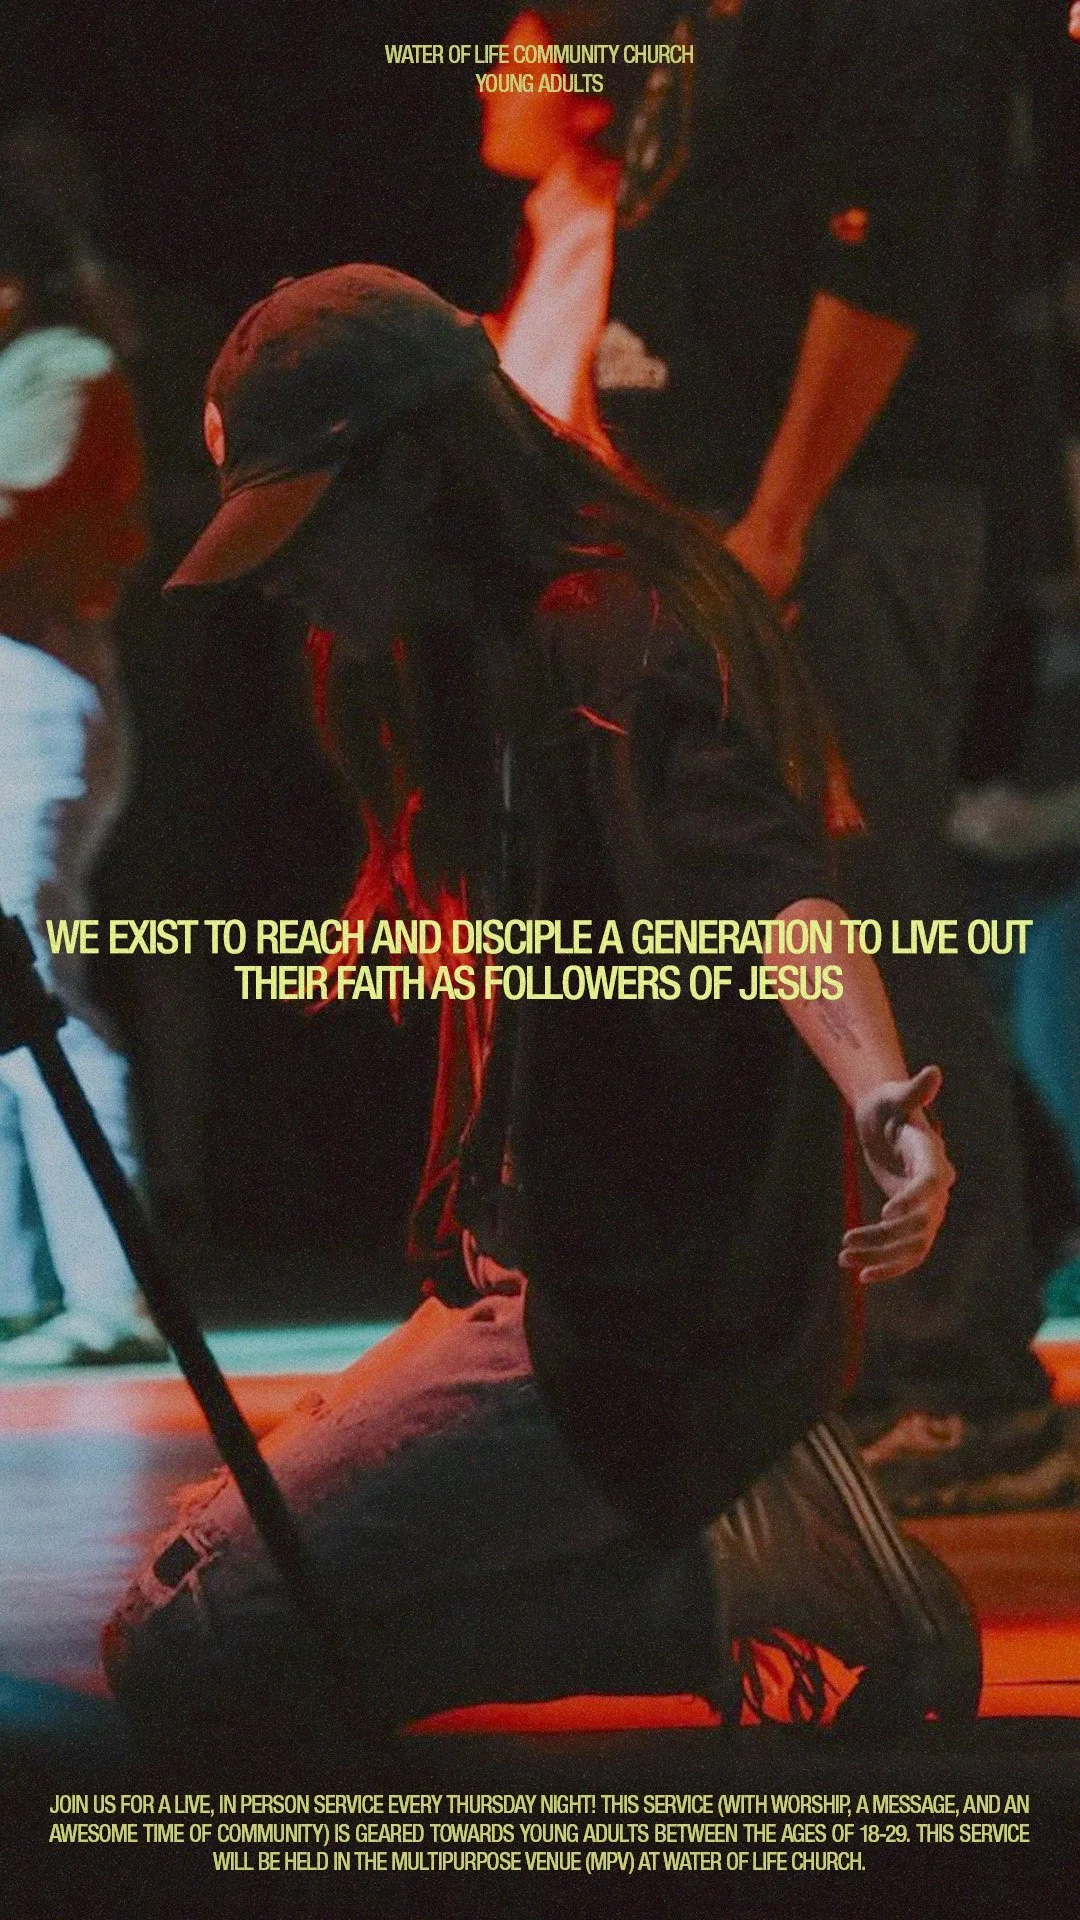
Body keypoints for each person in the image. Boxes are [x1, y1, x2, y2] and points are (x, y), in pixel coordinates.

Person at [102, 266, 977, 1732]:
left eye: (307, 524)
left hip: (628, 1338)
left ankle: (733, 1572)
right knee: (205, 1569)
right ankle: (721, 1550)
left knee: (186, 1656)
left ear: (419, 472)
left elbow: (778, 895)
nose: (284, 577)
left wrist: (883, 1098)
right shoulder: (468, 644)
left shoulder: (611, 634)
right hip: (552, 1298)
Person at [476, 3, 1072, 1516]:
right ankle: (856, 1358)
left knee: (866, 919)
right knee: (773, 927)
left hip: (833, 520)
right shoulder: (706, 23)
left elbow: (890, 255)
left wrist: (787, 513)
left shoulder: (889, 23)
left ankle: (964, 1381)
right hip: (725, 516)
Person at [0, 187, 165, 1366]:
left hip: (35, 687)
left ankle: (108, 1292)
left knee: (39, 979)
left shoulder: (66, 363)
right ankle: (22, 1284)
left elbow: (22, 513)